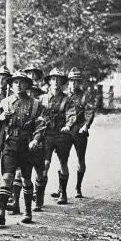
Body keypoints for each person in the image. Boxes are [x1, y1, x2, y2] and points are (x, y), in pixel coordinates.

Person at [0, 70, 45, 225]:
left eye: (22, 82)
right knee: (7, 177)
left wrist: (35, 139)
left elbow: (41, 125)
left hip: (27, 144)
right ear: (11, 85)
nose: (18, 85)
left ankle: (27, 211)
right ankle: (1, 211)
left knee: (26, 178)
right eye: (15, 82)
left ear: (27, 85)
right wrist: (0, 118)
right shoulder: (5, 102)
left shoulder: (35, 104)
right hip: (9, 143)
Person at [40, 68, 73, 206]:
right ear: (49, 82)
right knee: (45, 164)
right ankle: (40, 194)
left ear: (62, 83)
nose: (55, 82)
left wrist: (68, 125)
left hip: (61, 134)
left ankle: (63, 192)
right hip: (46, 134)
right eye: (53, 79)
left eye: (58, 80)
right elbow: (37, 115)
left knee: (62, 163)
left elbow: (71, 114)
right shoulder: (41, 99)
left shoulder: (67, 99)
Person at [66, 68, 97, 198]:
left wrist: (86, 125)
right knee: (63, 160)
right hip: (66, 131)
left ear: (79, 83)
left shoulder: (85, 96)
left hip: (79, 131)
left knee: (81, 159)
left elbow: (89, 111)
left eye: (76, 81)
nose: (73, 84)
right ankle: (61, 188)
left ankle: (78, 187)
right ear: (68, 82)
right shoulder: (63, 96)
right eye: (71, 81)